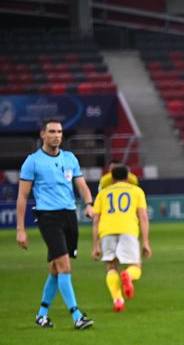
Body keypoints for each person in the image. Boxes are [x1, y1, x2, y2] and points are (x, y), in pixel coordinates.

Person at [15, 119, 95, 329]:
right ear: (42, 134)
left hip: (69, 216)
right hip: (48, 217)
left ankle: (42, 314)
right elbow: (22, 197)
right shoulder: (32, 162)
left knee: (56, 267)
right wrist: (20, 229)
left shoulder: (70, 158)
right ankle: (77, 315)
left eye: (59, 131)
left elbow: (82, 185)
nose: (57, 135)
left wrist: (89, 204)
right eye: (52, 131)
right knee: (64, 266)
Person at [91, 164, 151, 312]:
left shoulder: (103, 193)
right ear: (128, 176)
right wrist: (145, 242)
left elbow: (96, 221)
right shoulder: (137, 191)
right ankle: (128, 276)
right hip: (128, 230)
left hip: (107, 231)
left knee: (111, 267)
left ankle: (118, 300)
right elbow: (143, 217)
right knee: (135, 266)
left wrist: (96, 245)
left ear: (112, 178)